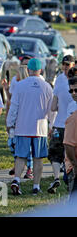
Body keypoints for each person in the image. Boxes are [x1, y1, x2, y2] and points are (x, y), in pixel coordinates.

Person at [7, 58, 53, 195]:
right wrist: (52, 125)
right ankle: (36, 186)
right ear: (41, 70)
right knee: (38, 159)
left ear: (28, 70)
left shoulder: (20, 85)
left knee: (20, 156)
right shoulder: (47, 86)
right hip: (40, 128)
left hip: (22, 127)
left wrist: (10, 123)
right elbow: (52, 110)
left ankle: (16, 179)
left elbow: (14, 107)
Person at [48, 56, 75, 193]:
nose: (65, 67)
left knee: (65, 153)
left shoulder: (63, 80)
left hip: (70, 124)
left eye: (67, 64)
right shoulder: (59, 79)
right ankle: (57, 178)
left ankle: (65, 176)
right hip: (60, 123)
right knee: (55, 152)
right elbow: (53, 106)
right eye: (63, 64)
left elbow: (54, 105)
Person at [64, 76, 77, 199]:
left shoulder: (73, 119)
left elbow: (68, 145)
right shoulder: (72, 117)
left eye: (76, 90)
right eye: (71, 91)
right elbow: (68, 145)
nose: (73, 94)